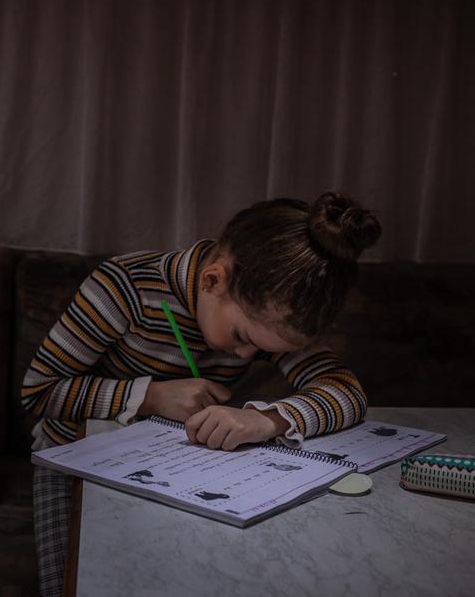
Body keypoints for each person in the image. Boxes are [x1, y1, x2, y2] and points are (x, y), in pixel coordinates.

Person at [20, 192, 382, 596]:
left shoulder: (274, 310)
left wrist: (269, 418)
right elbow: (39, 392)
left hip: (187, 472)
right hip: (76, 464)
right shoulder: (124, 287)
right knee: (71, 585)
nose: (249, 353)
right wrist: (150, 397)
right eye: (242, 336)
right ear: (214, 280)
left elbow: (346, 392)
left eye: (267, 349)